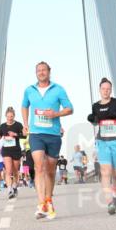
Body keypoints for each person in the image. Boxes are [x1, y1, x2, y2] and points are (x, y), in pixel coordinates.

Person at [21, 61, 73, 220]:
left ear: (49, 72)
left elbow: (69, 108)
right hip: (36, 133)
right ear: (36, 73)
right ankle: (41, 203)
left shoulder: (58, 89)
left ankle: (49, 200)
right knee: (39, 166)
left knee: (50, 171)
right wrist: (25, 124)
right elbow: (24, 106)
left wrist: (56, 114)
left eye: (44, 70)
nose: (41, 72)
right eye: (38, 70)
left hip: (53, 135)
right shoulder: (29, 90)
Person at [87, 78, 116, 215]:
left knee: (115, 173)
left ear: (110, 90)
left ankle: (115, 196)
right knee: (105, 171)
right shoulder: (95, 106)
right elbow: (96, 122)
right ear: (100, 90)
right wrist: (92, 119)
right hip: (102, 141)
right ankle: (110, 202)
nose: (106, 91)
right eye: (103, 89)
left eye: (108, 89)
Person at [0, 107, 24, 199]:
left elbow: (24, 136)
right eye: (8, 116)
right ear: (6, 116)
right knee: (8, 171)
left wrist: (15, 134)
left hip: (16, 150)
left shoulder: (18, 125)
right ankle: (9, 190)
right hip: (6, 150)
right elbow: (0, 135)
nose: (10, 118)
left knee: (15, 171)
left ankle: (14, 186)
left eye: (11, 116)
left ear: (14, 116)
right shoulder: (2, 126)